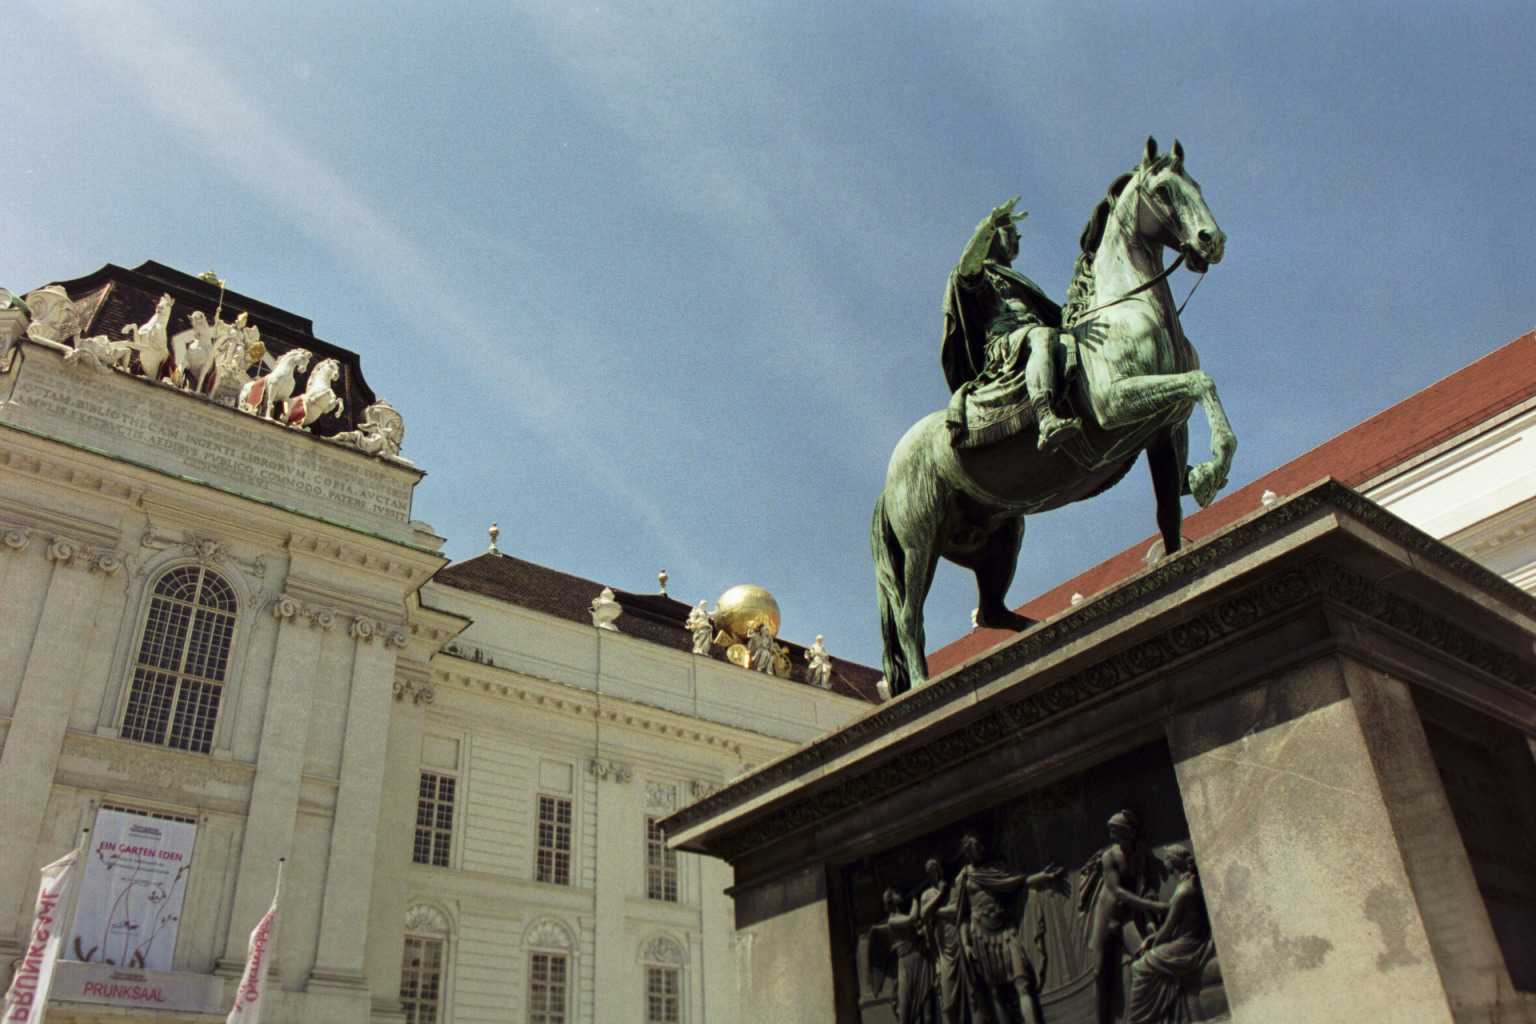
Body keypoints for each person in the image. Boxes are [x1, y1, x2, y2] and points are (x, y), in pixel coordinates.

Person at [940, 197, 1083, 452]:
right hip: (1003, 345)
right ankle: (1046, 416)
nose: (1018, 239)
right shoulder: (983, 273)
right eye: (1011, 233)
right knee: (1042, 336)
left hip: (1032, 333)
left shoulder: (1019, 280)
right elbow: (966, 267)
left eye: (1018, 235)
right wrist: (991, 224)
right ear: (993, 237)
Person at [953, 833, 1063, 1024]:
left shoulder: (996, 868)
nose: (980, 850)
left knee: (1022, 983)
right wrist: (965, 943)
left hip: (1006, 932)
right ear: (966, 852)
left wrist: (1043, 877)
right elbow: (962, 916)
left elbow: (1018, 882)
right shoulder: (963, 878)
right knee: (995, 991)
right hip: (981, 937)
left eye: (980, 846)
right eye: (974, 848)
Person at [1078, 810, 1169, 1024]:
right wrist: (1154, 906)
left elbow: (1143, 887)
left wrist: (1148, 921)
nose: (1113, 837)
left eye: (1116, 833)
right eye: (1112, 833)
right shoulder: (1109, 857)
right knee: (1099, 973)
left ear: (1129, 833)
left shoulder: (1141, 852)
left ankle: (1147, 1016)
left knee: (1144, 958)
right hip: (1106, 918)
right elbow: (1117, 891)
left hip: (1127, 916)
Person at [1126, 846, 1212, 1024]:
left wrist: (1151, 946)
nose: (1163, 861)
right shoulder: (1188, 884)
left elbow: (1166, 932)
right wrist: (1151, 939)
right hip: (1188, 939)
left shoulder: (1183, 891)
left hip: (1189, 945)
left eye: (1165, 857)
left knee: (1140, 967)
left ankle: (1140, 1019)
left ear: (1171, 862)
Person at [918, 857, 967, 1024]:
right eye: (931, 870)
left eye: (937, 868)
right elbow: (924, 914)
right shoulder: (928, 894)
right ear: (928, 875)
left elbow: (956, 909)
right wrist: (940, 894)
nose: (935, 873)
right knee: (947, 1000)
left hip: (959, 941)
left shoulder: (952, 889)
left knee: (971, 993)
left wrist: (937, 912)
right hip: (943, 950)